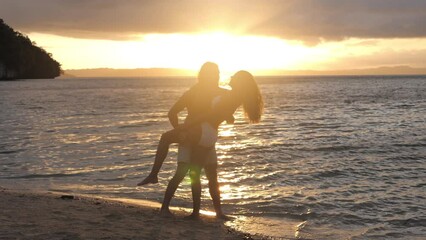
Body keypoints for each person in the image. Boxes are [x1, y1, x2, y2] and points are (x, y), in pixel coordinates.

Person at [139, 70, 264, 219]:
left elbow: (209, 115)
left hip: (203, 131)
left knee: (167, 139)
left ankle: (154, 176)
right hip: (209, 135)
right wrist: (228, 115)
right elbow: (220, 111)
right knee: (203, 174)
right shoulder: (231, 95)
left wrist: (184, 127)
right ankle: (210, 213)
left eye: (234, 77)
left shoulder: (230, 97)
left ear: (239, 82)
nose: (229, 77)